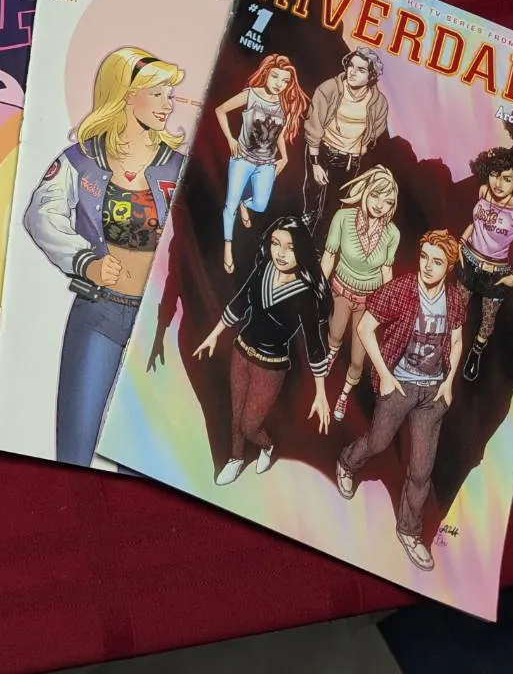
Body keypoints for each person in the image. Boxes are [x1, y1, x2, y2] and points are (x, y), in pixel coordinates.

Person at [23, 46, 185, 465]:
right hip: (99, 313)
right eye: (158, 93)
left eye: (170, 94)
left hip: (161, 325)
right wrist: (86, 261)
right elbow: (41, 215)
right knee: (75, 448)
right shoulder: (81, 160)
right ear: (127, 95)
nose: (169, 104)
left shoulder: (180, 167)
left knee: (153, 457)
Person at [336, 231, 466, 572]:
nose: (427, 266)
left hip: (433, 393)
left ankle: (409, 531)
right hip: (400, 384)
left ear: (448, 267)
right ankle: (347, 462)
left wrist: (448, 383)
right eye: (424, 257)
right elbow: (365, 328)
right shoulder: (403, 289)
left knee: (421, 470)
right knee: (378, 442)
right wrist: (385, 375)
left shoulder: (453, 297)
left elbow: (456, 340)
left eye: (436, 261)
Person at [194, 215, 333, 486]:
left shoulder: (305, 295)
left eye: (290, 247)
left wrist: (321, 393)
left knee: (249, 425)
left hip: (271, 367)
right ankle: (235, 458)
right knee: (236, 416)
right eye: (275, 243)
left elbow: (314, 345)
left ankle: (267, 446)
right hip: (241, 352)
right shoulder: (264, 269)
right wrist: (213, 335)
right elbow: (240, 303)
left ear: (302, 251)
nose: (280, 253)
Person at [215, 54, 309, 274]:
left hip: (266, 163)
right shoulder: (251, 94)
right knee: (229, 205)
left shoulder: (285, 105)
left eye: (285, 81)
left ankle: (245, 204)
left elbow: (279, 135)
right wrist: (230, 139)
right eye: (275, 77)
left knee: (260, 204)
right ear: (266, 74)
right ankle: (228, 247)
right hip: (242, 158)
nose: (279, 84)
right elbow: (220, 110)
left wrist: (285, 157)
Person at [322, 167, 401, 421]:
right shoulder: (342, 218)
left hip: (369, 303)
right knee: (335, 335)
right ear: (365, 191)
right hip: (341, 291)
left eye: (387, 201)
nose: (379, 205)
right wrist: (318, 288)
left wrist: (387, 308)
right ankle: (331, 354)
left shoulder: (392, 234)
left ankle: (343, 396)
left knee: (358, 360)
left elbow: (387, 270)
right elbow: (329, 256)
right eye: (375, 195)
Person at [457, 146, 513, 381]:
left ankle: (475, 353)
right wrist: (462, 241)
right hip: (469, 262)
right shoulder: (483, 191)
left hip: (495, 273)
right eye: (494, 174)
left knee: (488, 320)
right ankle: (448, 351)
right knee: (456, 311)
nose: (498, 183)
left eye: (507, 178)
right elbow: (476, 223)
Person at [303, 48, 390, 227]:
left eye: (361, 70)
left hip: (348, 160)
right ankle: (303, 229)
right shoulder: (329, 89)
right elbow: (314, 124)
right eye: (351, 66)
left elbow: (376, 129)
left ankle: (320, 241)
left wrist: (361, 148)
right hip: (321, 150)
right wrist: (315, 163)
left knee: (332, 209)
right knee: (312, 201)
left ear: (371, 76)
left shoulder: (379, 102)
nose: (352, 72)